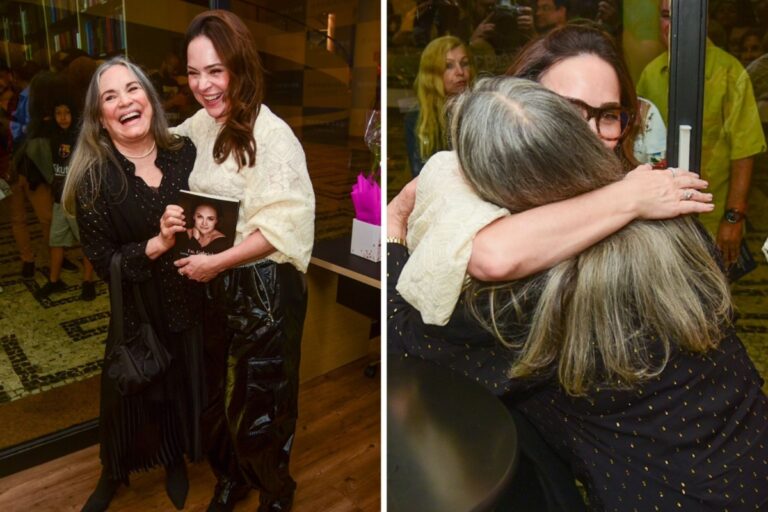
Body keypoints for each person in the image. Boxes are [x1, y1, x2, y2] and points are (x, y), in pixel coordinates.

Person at [389, 76, 768, 511]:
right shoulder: (671, 215)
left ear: (495, 195)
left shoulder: (533, 295)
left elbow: (406, 335)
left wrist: (396, 227)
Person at [396, 24, 713, 326]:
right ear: (520, 105)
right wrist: (629, 197)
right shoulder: (457, 175)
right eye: (568, 111)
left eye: (609, 115)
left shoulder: (651, 202)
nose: (588, 133)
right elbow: (493, 255)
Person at [167, 10, 314, 512]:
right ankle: (232, 478)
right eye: (193, 73)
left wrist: (219, 262)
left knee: (263, 405)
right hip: (216, 283)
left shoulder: (273, 137)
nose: (204, 85)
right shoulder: (204, 126)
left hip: (265, 286)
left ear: (240, 67)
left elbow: (282, 227)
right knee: (214, 399)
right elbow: (165, 143)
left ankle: (275, 491)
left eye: (215, 70)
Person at [60, 57, 204, 512]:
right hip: (138, 310)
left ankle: (174, 460)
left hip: (189, 300)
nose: (125, 101)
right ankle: (114, 471)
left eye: (132, 89)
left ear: (149, 98)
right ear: (100, 117)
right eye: (110, 96)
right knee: (127, 397)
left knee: (180, 385)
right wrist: (157, 244)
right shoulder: (95, 180)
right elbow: (104, 264)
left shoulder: (184, 154)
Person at [637, 0, 766, 269]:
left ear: (701, 20)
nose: (670, 25)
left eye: (678, 16)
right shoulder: (651, 73)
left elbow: (744, 152)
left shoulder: (730, 73)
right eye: (664, 16)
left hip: (711, 220)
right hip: (661, 221)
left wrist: (733, 219)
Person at [28, 94, 97, 300]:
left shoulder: (80, 136)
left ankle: (88, 281)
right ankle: (54, 281)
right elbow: (33, 133)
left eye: (66, 113)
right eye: (58, 113)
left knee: (85, 242)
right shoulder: (52, 134)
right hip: (59, 200)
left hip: (77, 201)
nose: (63, 117)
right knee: (55, 241)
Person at [404, 35, 475, 177]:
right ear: (432, 74)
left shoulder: (479, 110)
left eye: (464, 63)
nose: (460, 72)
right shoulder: (416, 118)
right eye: (449, 66)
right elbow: (421, 174)